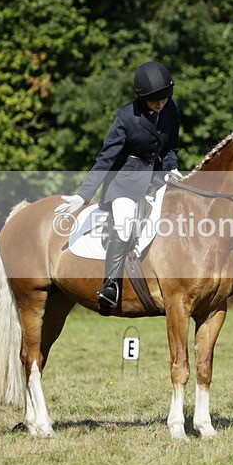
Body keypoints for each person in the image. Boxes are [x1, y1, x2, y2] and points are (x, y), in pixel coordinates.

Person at [54, 61, 181, 315]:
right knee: (124, 224)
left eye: (164, 98)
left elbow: (169, 148)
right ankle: (110, 286)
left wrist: (172, 167)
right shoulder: (126, 117)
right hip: (124, 182)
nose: (161, 104)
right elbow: (106, 158)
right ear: (142, 98)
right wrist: (83, 195)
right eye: (155, 100)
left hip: (156, 179)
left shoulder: (171, 109)